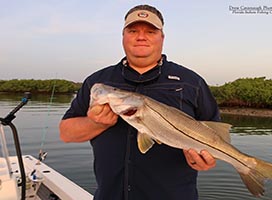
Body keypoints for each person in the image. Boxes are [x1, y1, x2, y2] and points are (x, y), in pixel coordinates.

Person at [60, 4, 220, 200]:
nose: (141, 36)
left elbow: (216, 136)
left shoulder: (192, 82)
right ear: (123, 36)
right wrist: (95, 123)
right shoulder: (97, 81)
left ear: (162, 37)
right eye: (133, 30)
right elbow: (66, 133)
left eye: (150, 31)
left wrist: (205, 161)